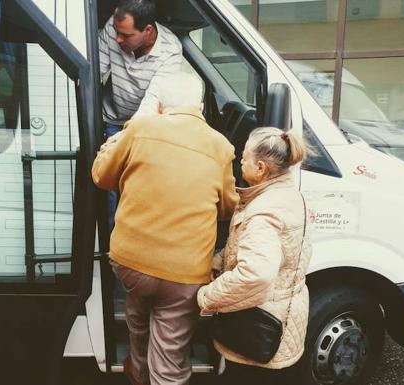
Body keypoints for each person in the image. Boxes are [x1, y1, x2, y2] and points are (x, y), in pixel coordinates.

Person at [91, 73, 238, 385]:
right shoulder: (222, 147)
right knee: (169, 352)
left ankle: (138, 370)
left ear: (158, 105)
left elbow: (102, 177)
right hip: (183, 273)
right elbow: (227, 207)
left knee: (138, 320)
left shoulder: (141, 128)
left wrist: (111, 145)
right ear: (199, 106)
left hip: (131, 261)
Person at [196, 126, 312, 385]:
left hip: (260, 326)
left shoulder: (262, 213)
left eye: (244, 157)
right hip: (285, 318)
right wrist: (219, 261)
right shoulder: (291, 197)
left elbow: (255, 275)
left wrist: (207, 296)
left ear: (260, 168)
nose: (239, 161)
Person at [99, 0, 183, 228]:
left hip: (143, 126)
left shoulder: (171, 51)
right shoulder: (114, 27)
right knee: (110, 190)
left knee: (135, 188)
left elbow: (152, 101)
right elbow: (93, 71)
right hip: (112, 119)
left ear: (148, 31)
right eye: (116, 33)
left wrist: (124, 140)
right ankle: (110, 249)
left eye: (125, 35)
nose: (118, 40)